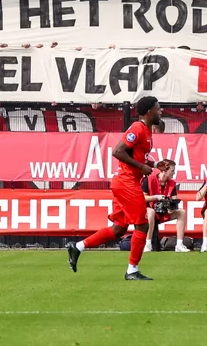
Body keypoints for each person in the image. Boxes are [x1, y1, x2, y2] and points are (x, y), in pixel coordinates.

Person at [66, 96, 162, 281]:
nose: (160, 111)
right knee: (142, 224)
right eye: (158, 109)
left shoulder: (147, 131)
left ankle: (77, 247)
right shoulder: (137, 128)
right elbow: (117, 151)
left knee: (119, 228)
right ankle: (132, 271)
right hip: (127, 183)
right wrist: (142, 167)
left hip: (125, 182)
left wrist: (156, 164)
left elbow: (138, 156)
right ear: (149, 112)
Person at [142, 159, 190, 253]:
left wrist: (171, 208)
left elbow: (174, 200)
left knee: (182, 212)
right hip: (149, 210)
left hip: (164, 212)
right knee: (151, 212)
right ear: (164, 170)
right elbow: (142, 198)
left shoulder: (172, 183)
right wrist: (156, 197)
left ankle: (179, 244)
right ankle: (148, 244)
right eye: (172, 171)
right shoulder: (149, 179)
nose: (174, 173)